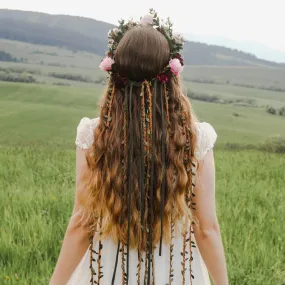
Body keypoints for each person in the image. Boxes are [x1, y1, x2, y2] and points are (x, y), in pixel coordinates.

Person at [50, 10, 229, 285]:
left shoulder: (94, 135)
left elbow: (81, 223)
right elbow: (206, 228)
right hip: (176, 273)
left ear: (116, 76)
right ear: (171, 78)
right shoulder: (196, 139)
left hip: (109, 271)